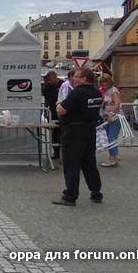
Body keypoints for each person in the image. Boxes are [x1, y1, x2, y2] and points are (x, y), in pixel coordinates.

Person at [53, 67, 103, 206]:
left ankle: (70, 196)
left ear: (84, 79)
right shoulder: (96, 92)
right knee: (89, 163)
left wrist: (58, 103)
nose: (73, 79)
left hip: (74, 131)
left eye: (76, 76)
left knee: (71, 164)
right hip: (89, 130)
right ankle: (96, 193)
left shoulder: (78, 92)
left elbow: (61, 110)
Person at [98, 74, 121, 167]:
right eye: (102, 83)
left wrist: (112, 114)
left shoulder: (113, 90)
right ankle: (114, 156)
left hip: (114, 117)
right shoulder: (104, 90)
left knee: (112, 138)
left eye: (106, 83)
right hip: (106, 117)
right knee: (109, 137)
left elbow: (117, 103)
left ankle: (112, 159)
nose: (104, 84)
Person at [42, 71, 64, 160]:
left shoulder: (63, 85)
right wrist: (45, 110)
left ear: (55, 77)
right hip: (52, 111)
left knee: (63, 132)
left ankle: (64, 152)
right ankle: (56, 152)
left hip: (62, 111)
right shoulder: (47, 87)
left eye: (51, 80)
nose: (49, 82)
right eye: (48, 80)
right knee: (54, 132)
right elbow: (46, 99)